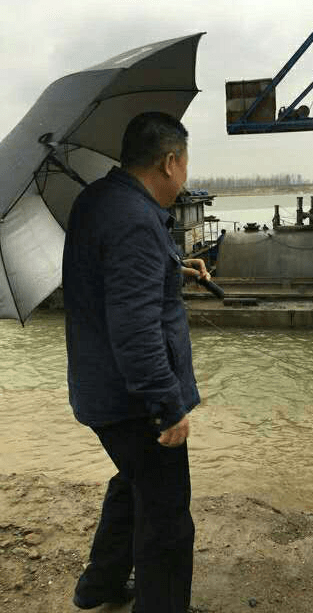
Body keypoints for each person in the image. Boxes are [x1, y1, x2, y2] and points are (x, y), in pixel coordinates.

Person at [62, 112, 207, 613]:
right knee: (166, 519)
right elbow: (136, 329)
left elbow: (112, 279)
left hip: (101, 388)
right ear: (169, 162)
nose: (184, 174)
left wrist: (174, 268)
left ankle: (99, 586)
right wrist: (167, 407)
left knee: (133, 482)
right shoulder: (136, 220)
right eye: (184, 163)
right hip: (135, 402)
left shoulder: (99, 200)